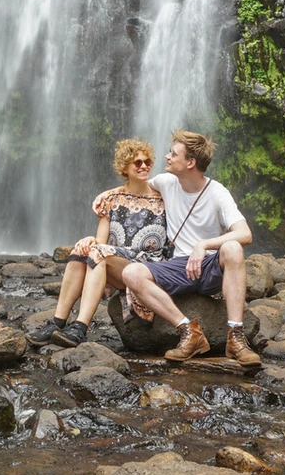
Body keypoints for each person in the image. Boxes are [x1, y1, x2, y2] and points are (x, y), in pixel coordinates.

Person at [98, 130, 261, 368]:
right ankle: (189, 332)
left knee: (234, 248)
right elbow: (133, 185)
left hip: (209, 266)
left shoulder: (217, 193)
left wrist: (203, 244)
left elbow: (245, 234)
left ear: (190, 163)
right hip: (178, 268)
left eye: (173, 153)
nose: (166, 156)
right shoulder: (166, 182)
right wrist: (106, 195)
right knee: (132, 273)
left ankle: (235, 337)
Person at [27, 139, 168, 348]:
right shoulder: (110, 199)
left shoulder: (164, 197)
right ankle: (57, 322)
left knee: (97, 253)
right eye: (137, 163)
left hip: (146, 266)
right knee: (80, 251)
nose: (144, 166)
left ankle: (81, 327)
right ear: (125, 168)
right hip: (117, 263)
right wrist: (89, 241)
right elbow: (100, 242)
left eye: (147, 161)